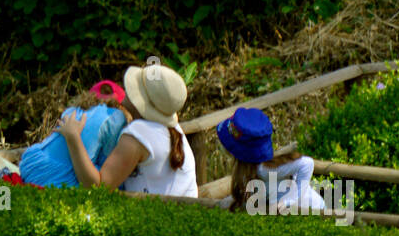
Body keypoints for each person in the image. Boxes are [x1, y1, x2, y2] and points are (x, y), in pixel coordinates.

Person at [58, 62, 197, 197]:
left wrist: (73, 138)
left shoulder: (139, 133)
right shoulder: (171, 128)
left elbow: (98, 189)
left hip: (158, 217)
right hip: (183, 212)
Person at [18, 81, 130, 188]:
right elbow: (105, 174)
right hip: (55, 178)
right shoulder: (116, 118)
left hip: (30, 162)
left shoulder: (72, 110)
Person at [216, 108, 326, 212]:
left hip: (314, 209)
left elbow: (307, 163)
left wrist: (289, 200)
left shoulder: (263, 170)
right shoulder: (251, 171)